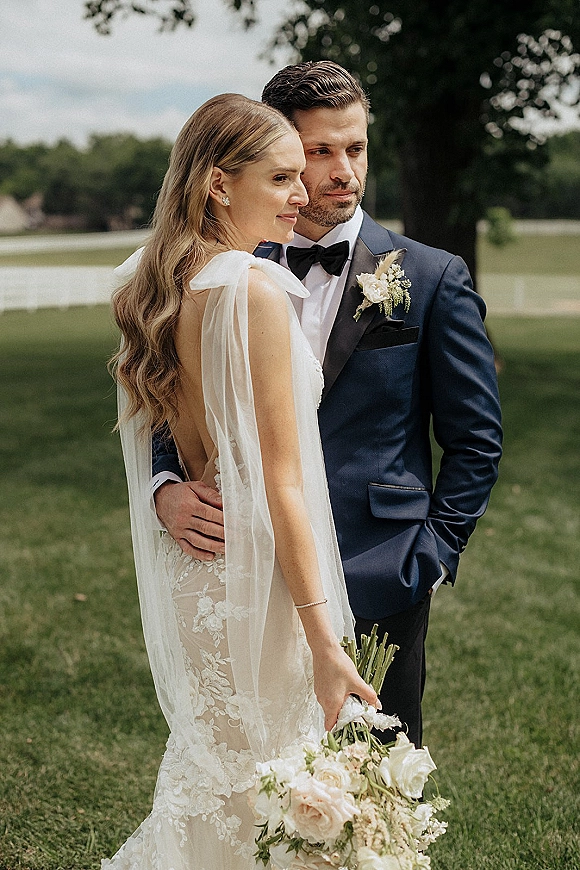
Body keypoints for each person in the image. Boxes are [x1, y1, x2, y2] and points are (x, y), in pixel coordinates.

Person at [153, 62, 503, 748]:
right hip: (245, 567)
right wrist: (165, 487)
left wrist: (429, 556)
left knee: (374, 793)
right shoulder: (212, 275)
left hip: (379, 569)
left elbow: (476, 441)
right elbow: (174, 395)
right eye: (319, 152)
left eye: (357, 148)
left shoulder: (430, 277)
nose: (345, 171)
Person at [105, 93, 377, 870]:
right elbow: (282, 486)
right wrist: (327, 643)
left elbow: (168, 435)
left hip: (198, 575)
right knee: (278, 795)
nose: (304, 195)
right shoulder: (252, 290)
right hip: (257, 581)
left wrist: (168, 491)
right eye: (283, 177)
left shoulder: (150, 286)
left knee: (222, 782)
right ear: (219, 184)